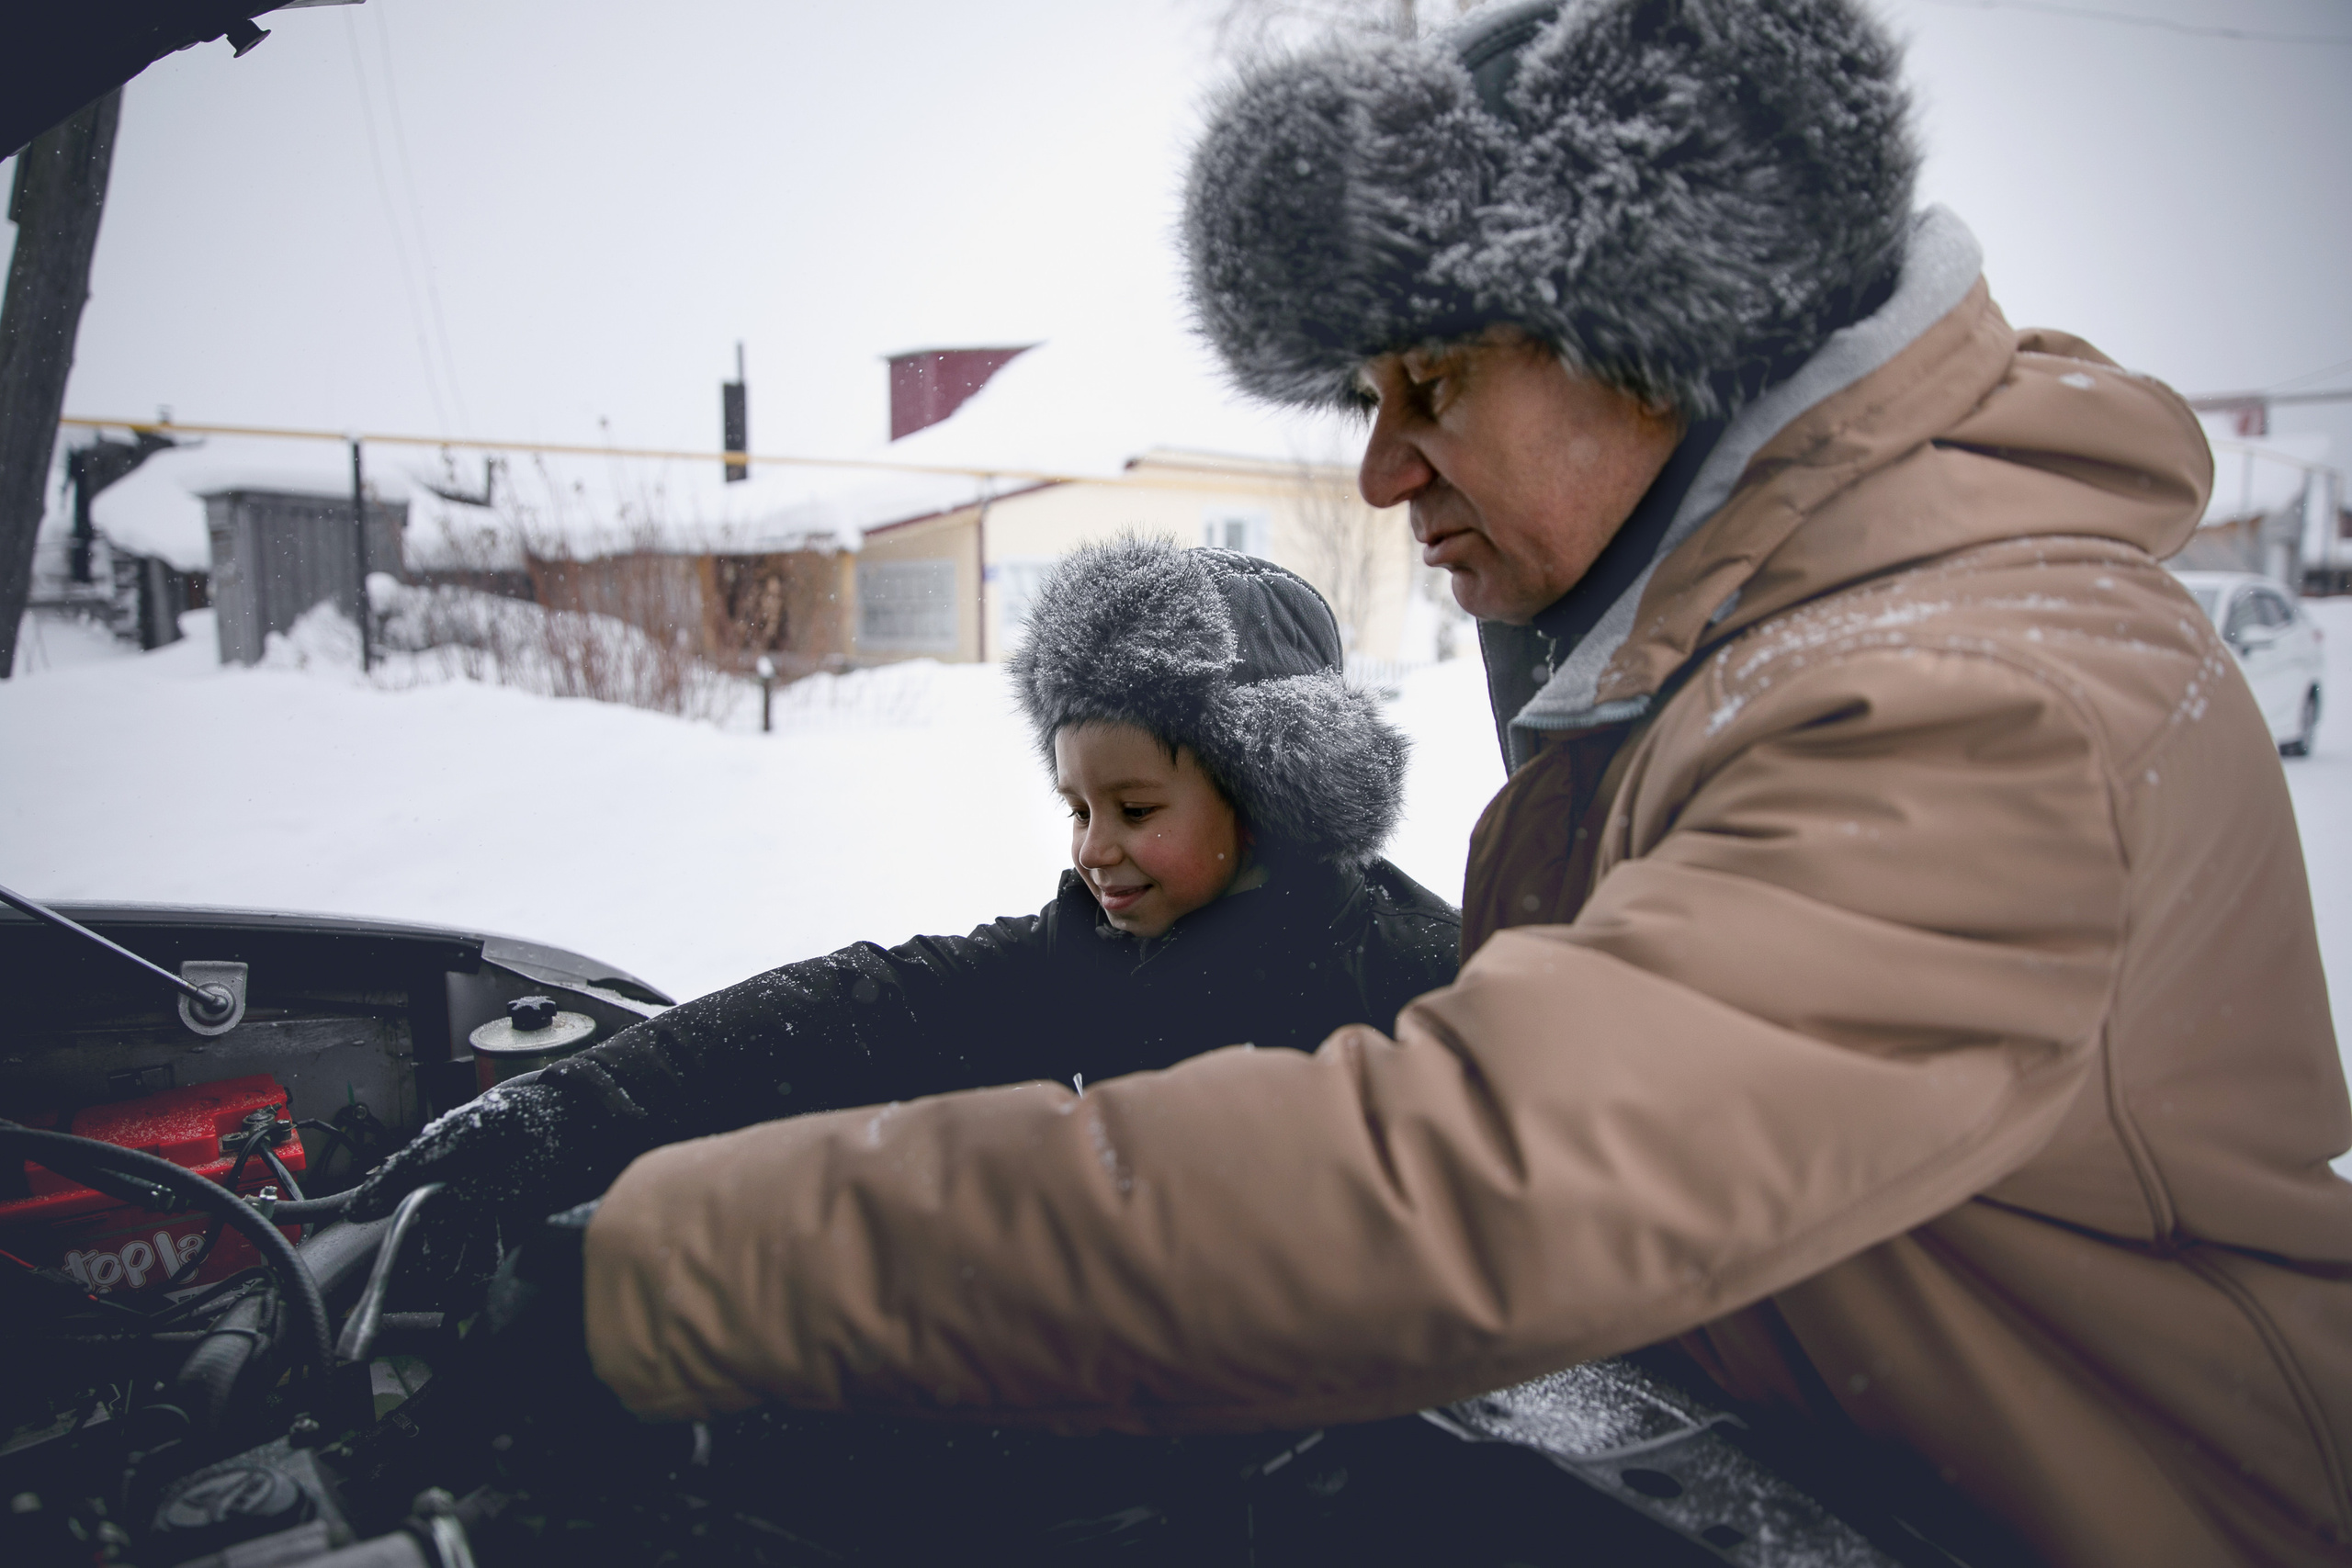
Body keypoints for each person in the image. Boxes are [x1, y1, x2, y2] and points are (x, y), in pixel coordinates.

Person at [549, 4, 2352, 1564]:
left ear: (1669, 323)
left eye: (1431, 382)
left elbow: (1470, 1182)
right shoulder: (1758, 650)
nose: (1383, 470)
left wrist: (657, 1269)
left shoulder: (1969, 699)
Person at [349, 540, 1457, 1235]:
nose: (1092, 851)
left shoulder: (1421, 991)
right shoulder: (1098, 956)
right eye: (1077, 811)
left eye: (1133, 812)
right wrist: (560, 1116)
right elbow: (863, 1010)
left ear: (1273, 798)